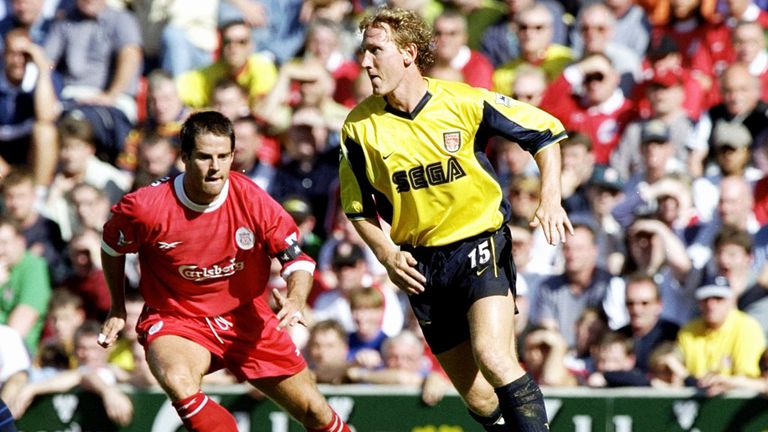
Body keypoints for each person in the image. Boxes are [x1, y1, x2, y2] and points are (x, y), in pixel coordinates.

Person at [339, 7, 572, 431]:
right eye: (363, 52)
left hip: (478, 243)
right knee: (479, 397)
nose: (365, 62)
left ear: (408, 53)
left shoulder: (462, 101)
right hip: (421, 265)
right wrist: (387, 255)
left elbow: (546, 132)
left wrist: (550, 197)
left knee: (496, 357)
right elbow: (357, 209)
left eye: (375, 51)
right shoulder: (359, 128)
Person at [97, 111, 350, 432]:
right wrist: (117, 307)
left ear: (234, 155)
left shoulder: (253, 200)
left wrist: (296, 298)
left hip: (248, 318)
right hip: (177, 318)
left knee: (316, 413)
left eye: (223, 156)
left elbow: (296, 261)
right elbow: (112, 246)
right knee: (179, 381)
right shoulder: (146, 207)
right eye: (204, 157)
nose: (215, 167)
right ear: (184, 157)